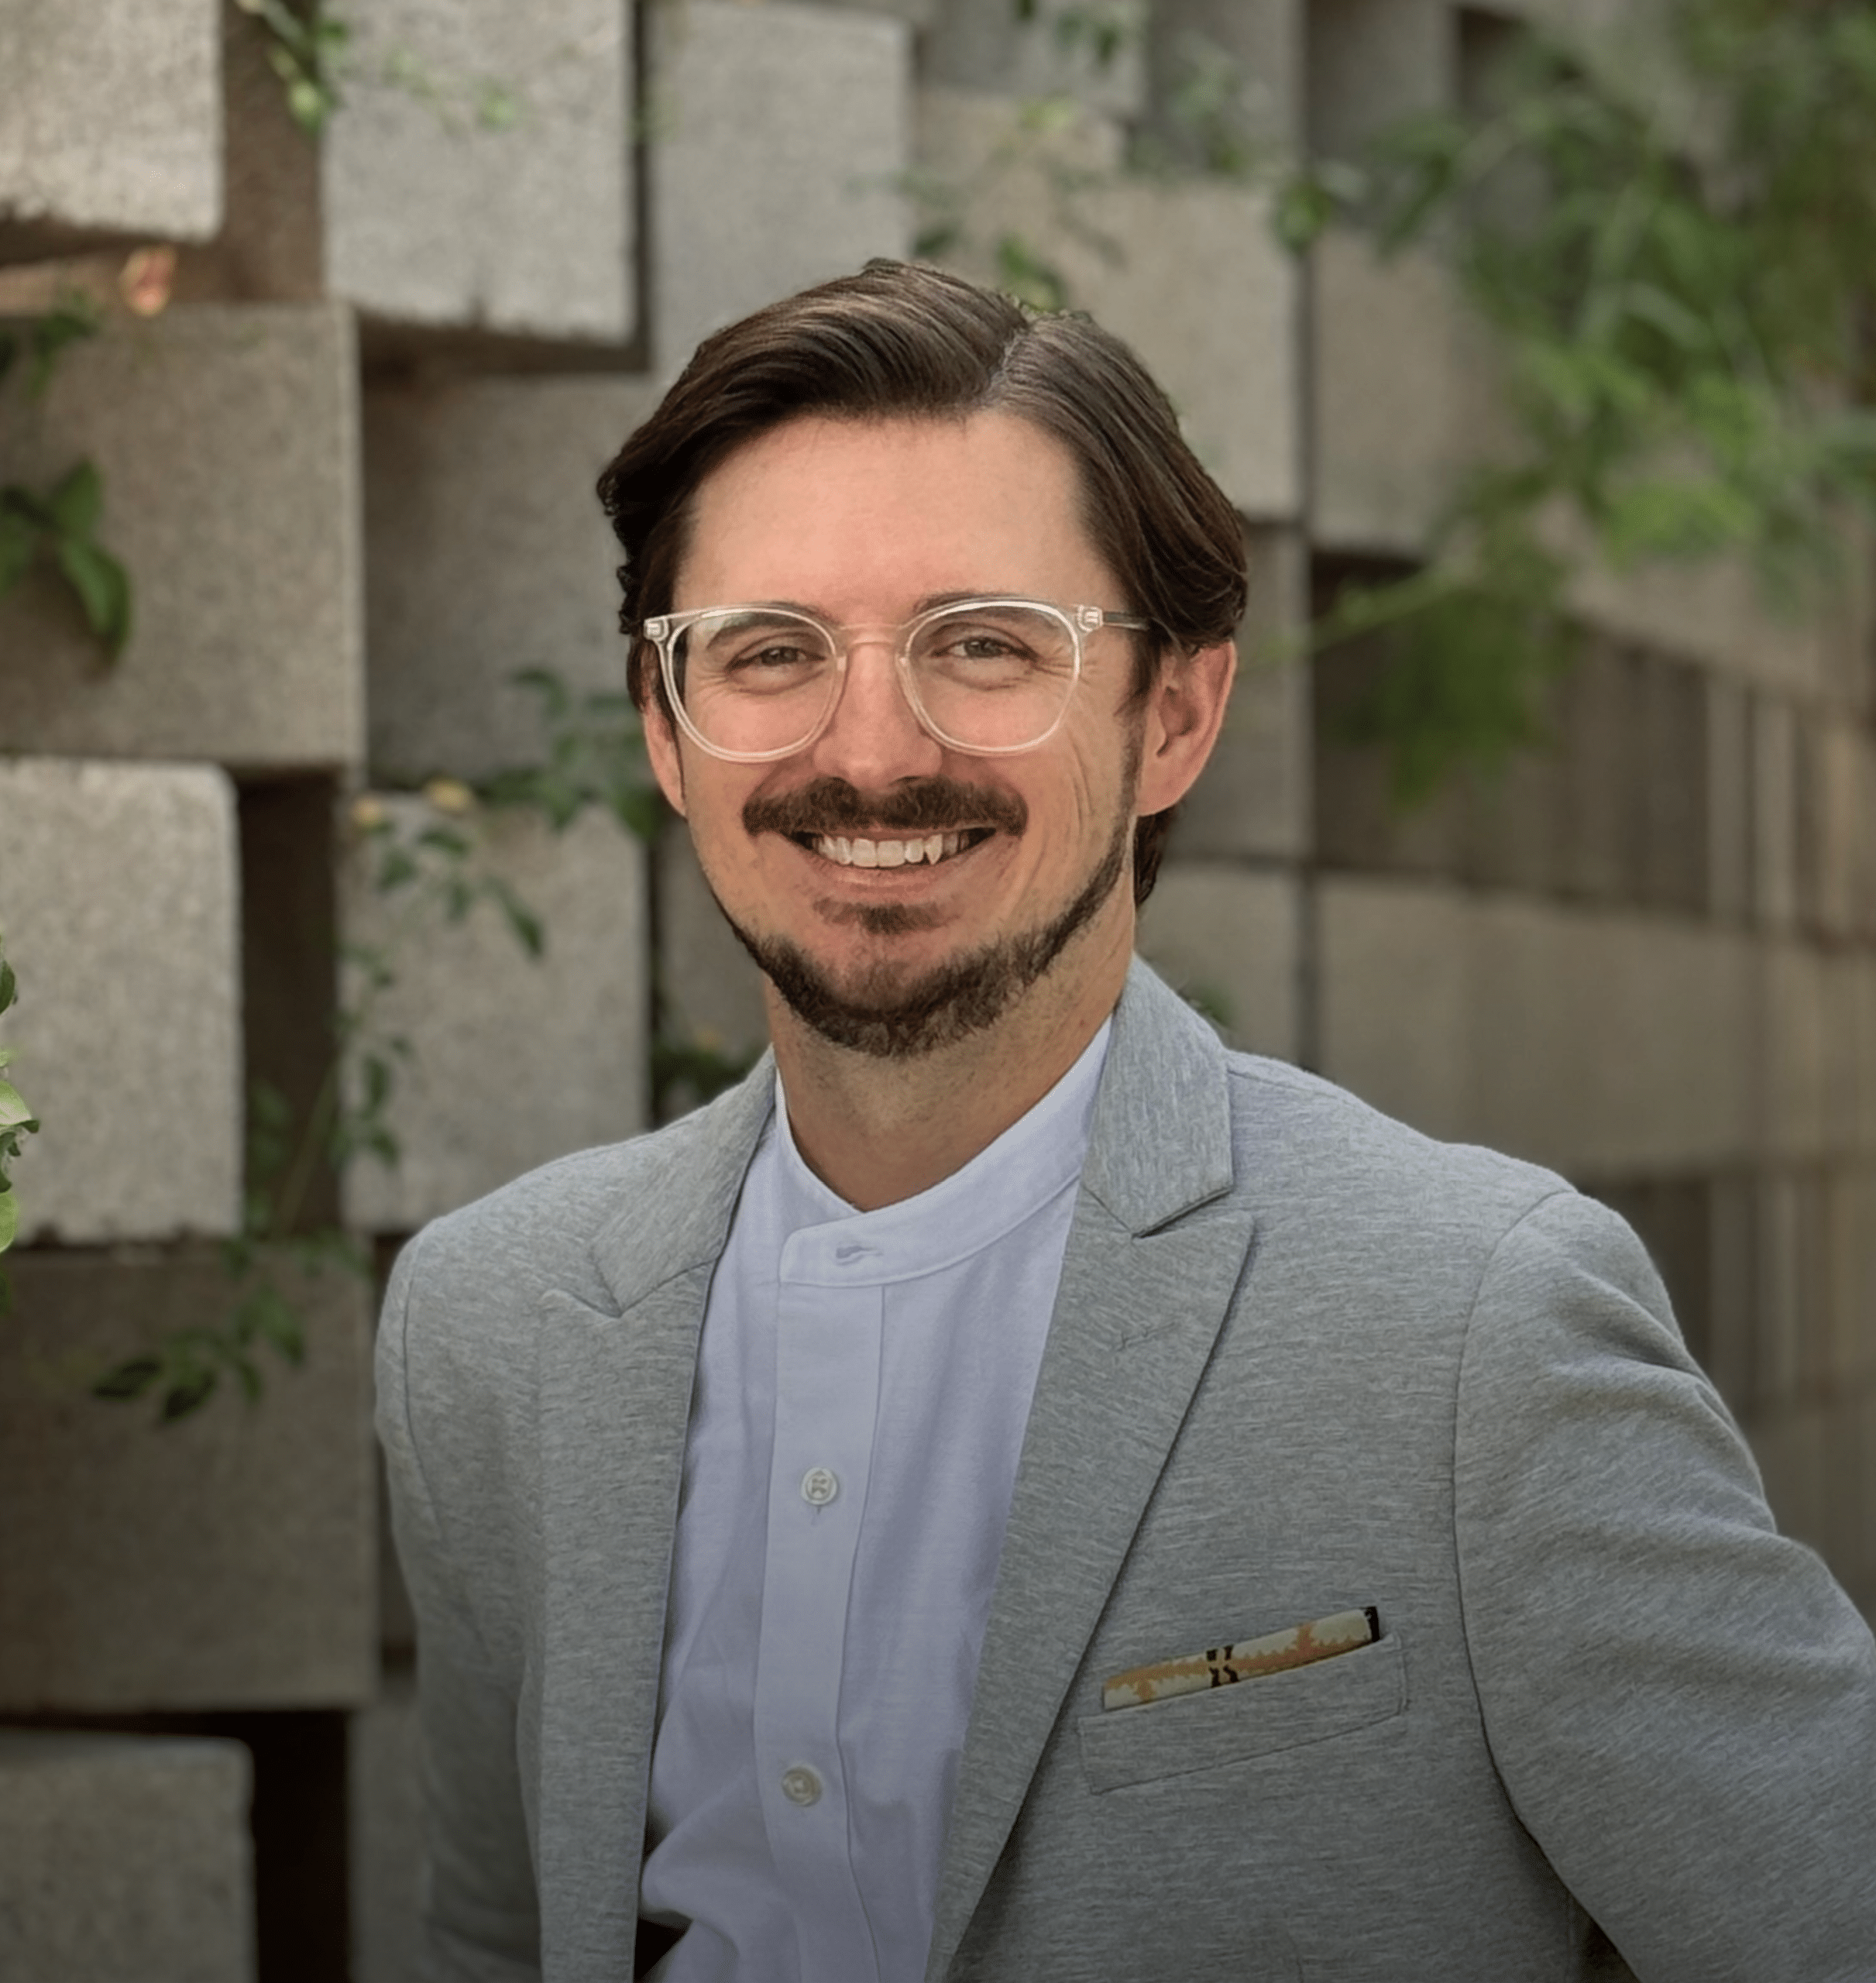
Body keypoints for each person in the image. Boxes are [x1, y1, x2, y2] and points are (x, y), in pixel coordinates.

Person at [376, 259, 1876, 1983]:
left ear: (1171, 713)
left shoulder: (1472, 1326)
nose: (869, 749)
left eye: (985, 645)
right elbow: (495, 1934)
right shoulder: (485, 1324)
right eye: (769, 651)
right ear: (664, 721)